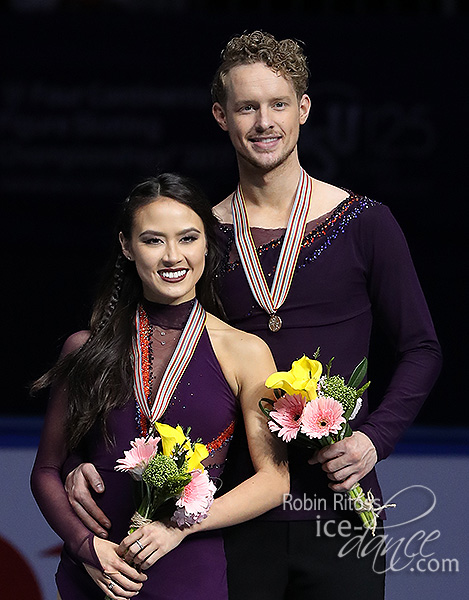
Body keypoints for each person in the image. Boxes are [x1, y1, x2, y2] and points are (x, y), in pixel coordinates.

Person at [64, 32, 442, 599]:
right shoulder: (199, 237)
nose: (264, 122)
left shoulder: (366, 223)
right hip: (229, 514)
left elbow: (422, 348)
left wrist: (373, 439)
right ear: (222, 116)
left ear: (304, 110)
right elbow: (128, 348)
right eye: (247, 106)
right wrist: (77, 454)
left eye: (278, 104)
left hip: (337, 511)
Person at [30, 172, 289, 600]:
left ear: (208, 242)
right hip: (95, 575)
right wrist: (85, 549)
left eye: (187, 238)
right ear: (126, 247)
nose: (172, 256)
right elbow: (44, 472)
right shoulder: (86, 348)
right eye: (153, 240)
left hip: (188, 573)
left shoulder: (246, 351)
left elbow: (275, 481)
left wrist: (176, 528)